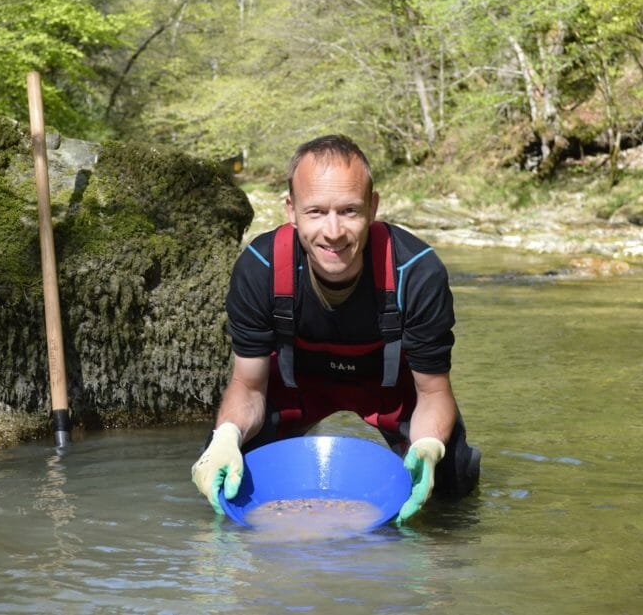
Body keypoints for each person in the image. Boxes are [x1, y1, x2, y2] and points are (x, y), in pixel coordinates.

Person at [191, 134, 480, 523]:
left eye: (349, 211)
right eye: (315, 212)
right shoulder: (259, 269)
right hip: (295, 387)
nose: (333, 231)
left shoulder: (417, 273)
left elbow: (432, 393)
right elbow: (248, 386)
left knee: (450, 481)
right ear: (291, 210)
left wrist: (427, 447)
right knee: (233, 478)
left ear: (373, 207)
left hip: (389, 391)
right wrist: (227, 436)